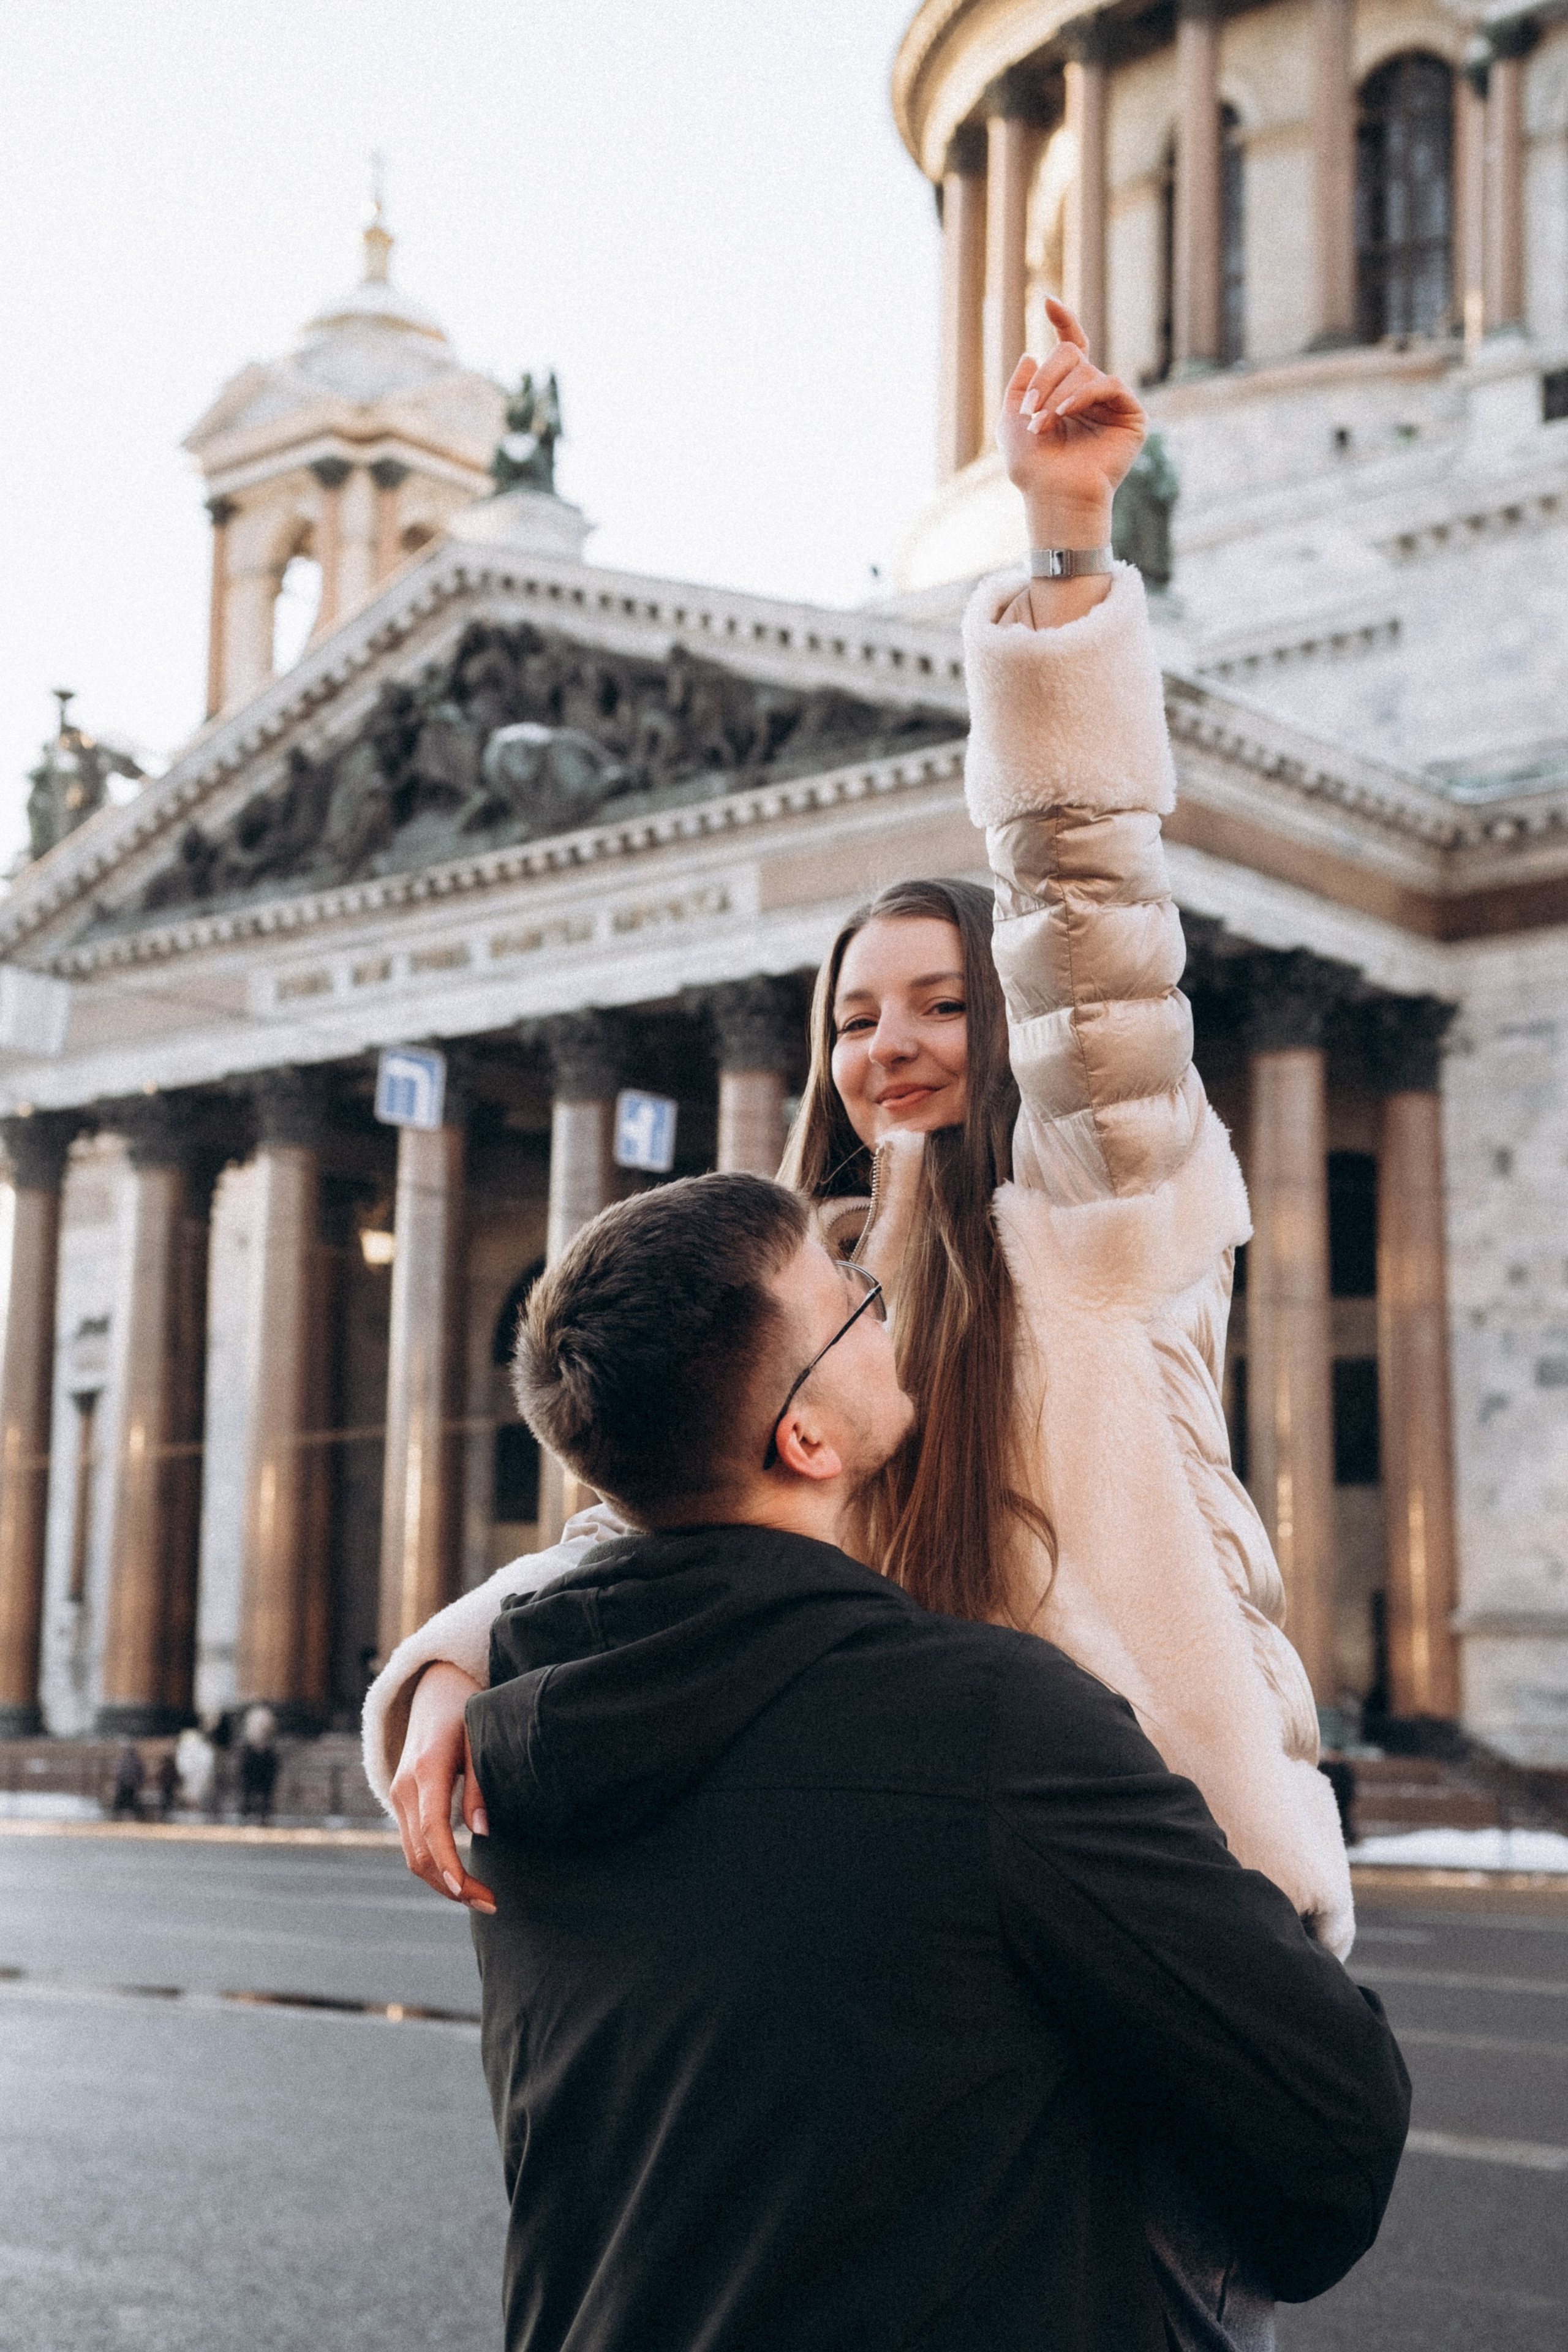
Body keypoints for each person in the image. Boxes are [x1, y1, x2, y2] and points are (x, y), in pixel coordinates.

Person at [364, 307, 1350, 2344]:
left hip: (1140, 1884)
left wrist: (1064, 558)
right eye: (850, 1012)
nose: (892, 1040)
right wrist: (464, 1660)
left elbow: (1087, 913)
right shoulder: (821, 1283)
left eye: (938, 998)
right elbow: (658, 1507)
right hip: (892, 1905)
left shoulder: (1097, 1214)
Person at [458, 1169, 1408, 2351]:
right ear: (802, 1436)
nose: (881, 1294)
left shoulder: (511, 1743)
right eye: (850, 1298)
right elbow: (1332, 2123)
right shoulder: (990, 1720)